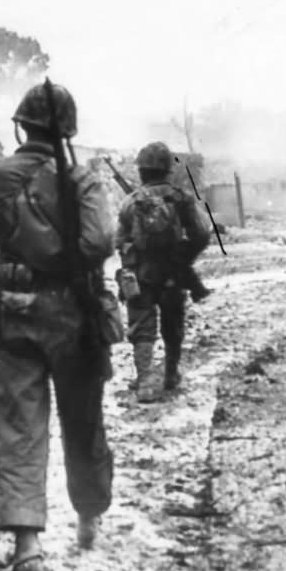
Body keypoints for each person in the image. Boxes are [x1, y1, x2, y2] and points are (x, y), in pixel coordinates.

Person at [0, 81, 116, 571]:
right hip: (71, 317)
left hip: (15, 313)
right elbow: (100, 241)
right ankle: (88, 516)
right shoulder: (80, 178)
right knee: (83, 420)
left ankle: (27, 546)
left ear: (23, 125)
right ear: (69, 129)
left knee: (19, 425)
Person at [117, 141, 211, 402]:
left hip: (141, 276)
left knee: (141, 328)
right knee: (173, 324)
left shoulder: (129, 203)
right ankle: (170, 374)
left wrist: (131, 264)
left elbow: (119, 241)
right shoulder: (182, 199)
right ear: (168, 170)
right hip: (172, 273)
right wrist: (184, 257)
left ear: (141, 171)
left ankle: (145, 382)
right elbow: (202, 234)